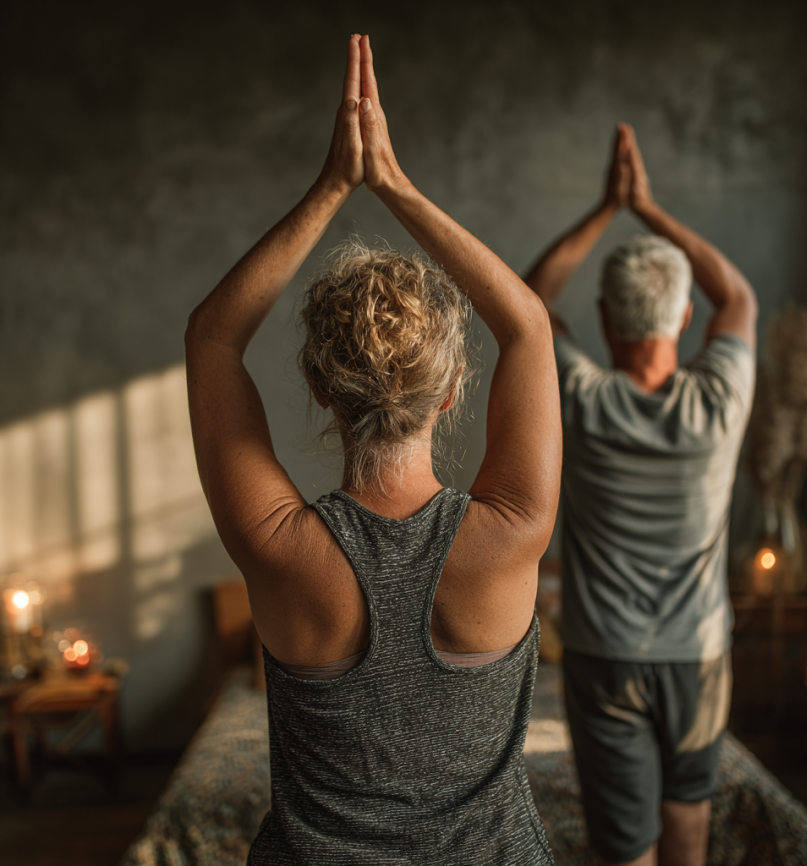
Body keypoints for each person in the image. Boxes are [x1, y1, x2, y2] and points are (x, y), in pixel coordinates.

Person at [185, 34, 560, 866]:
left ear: (320, 389)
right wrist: (395, 185)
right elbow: (529, 325)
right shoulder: (513, 531)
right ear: (453, 392)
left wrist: (332, 187)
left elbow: (212, 336)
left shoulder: (278, 547)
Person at [524, 124, 758, 866]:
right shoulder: (719, 401)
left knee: (625, 851)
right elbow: (738, 296)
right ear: (684, 318)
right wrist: (649, 209)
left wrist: (608, 208)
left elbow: (532, 297)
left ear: (603, 317)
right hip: (701, 656)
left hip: (606, 656)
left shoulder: (581, 398)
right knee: (689, 824)